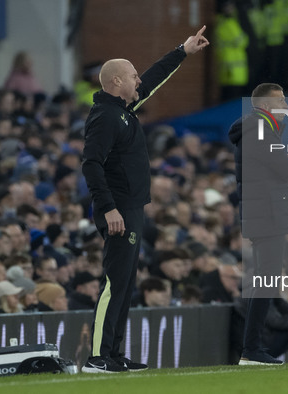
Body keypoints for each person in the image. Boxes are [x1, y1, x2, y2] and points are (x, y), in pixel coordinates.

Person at [80, 26, 209, 374]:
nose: (139, 81)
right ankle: (96, 357)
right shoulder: (106, 116)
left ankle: (113, 354)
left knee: (125, 284)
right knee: (113, 282)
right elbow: (90, 164)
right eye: (132, 76)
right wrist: (108, 208)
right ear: (116, 81)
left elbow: (153, 79)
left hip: (131, 207)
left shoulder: (123, 110)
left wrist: (182, 52)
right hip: (117, 209)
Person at [228, 83, 288, 365]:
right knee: (266, 280)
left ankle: (252, 348)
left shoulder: (258, 130)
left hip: (265, 211)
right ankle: (251, 349)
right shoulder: (260, 131)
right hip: (267, 213)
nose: (286, 105)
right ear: (266, 106)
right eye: (281, 101)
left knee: (267, 279)